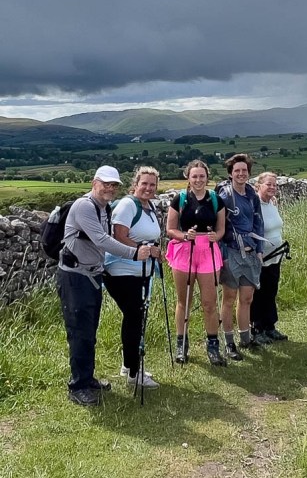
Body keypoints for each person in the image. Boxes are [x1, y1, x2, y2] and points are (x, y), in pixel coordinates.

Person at [57, 165, 159, 406]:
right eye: (106, 184)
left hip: (91, 275)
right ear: (95, 182)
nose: (110, 188)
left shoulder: (103, 208)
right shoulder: (84, 206)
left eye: (114, 185)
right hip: (75, 276)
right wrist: (135, 253)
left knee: (89, 331)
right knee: (80, 332)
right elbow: (102, 240)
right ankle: (78, 386)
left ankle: (87, 379)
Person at [104, 166, 163, 389]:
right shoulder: (128, 205)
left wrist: (154, 251)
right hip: (122, 270)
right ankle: (133, 374)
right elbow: (118, 236)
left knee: (135, 318)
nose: (148, 188)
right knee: (134, 318)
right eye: (144, 183)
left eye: (152, 184)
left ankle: (128, 366)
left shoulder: (149, 207)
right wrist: (142, 249)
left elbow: (147, 239)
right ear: (135, 184)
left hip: (141, 271)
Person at [165, 160, 226, 366]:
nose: (198, 180)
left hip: (208, 251)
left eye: (202, 176)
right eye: (194, 176)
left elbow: (221, 229)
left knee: (210, 303)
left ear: (207, 177)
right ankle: (181, 345)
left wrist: (216, 237)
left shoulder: (216, 200)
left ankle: (213, 346)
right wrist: (184, 235)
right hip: (184, 250)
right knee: (184, 302)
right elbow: (170, 229)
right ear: (188, 178)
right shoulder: (180, 199)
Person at [216, 153, 264, 360]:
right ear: (230, 174)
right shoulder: (225, 196)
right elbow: (218, 226)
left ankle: (245, 338)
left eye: (244, 170)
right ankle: (229, 343)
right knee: (228, 299)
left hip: (251, 252)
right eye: (237, 170)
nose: (241, 174)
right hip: (231, 252)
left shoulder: (252, 195)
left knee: (247, 298)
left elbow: (258, 222)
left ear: (249, 173)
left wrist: (260, 249)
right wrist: (222, 255)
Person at [251, 172, 289, 345]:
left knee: (271, 291)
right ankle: (256, 329)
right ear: (258, 185)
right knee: (258, 294)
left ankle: (270, 326)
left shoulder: (272, 203)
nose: (272, 187)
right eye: (268, 184)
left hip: (275, 257)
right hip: (259, 258)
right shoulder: (254, 205)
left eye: (275, 185)